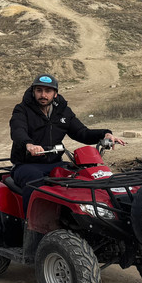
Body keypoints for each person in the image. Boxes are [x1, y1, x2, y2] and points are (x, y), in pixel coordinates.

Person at [9, 73, 123, 217]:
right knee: (35, 181)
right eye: (39, 90)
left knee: (82, 178)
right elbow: (18, 130)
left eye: (48, 91)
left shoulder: (63, 111)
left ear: (55, 93)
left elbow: (82, 133)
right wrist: (29, 144)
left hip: (55, 163)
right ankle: (32, 224)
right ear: (33, 91)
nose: (43, 95)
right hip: (26, 164)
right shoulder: (22, 109)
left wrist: (105, 134)